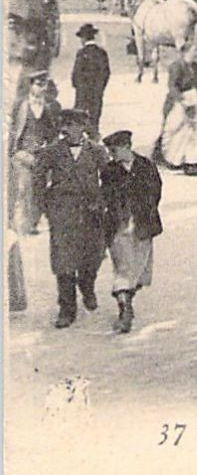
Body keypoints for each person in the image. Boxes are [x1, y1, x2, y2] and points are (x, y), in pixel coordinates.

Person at [38, 110, 108, 328]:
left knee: (92, 256)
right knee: (64, 260)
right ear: (63, 128)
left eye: (79, 124)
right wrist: (44, 205)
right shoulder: (52, 151)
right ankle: (67, 308)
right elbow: (37, 177)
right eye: (69, 125)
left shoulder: (97, 151)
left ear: (85, 126)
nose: (74, 129)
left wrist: (105, 203)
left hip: (91, 211)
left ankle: (87, 287)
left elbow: (109, 178)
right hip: (63, 211)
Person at [100, 129, 162, 334]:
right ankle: (124, 311)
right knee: (123, 269)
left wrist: (142, 209)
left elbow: (156, 192)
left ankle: (127, 302)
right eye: (110, 151)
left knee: (139, 272)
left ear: (127, 147)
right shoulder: (109, 170)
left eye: (115, 150)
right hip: (119, 227)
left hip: (143, 226)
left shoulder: (146, 166)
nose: (112, 155)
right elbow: (107, 195)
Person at [8, 70, 62, 234]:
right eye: (38, 85)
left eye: (44, 84)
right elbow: (11, 128)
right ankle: (16, 222)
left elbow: (53, 131)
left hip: (41, 154)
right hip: (23, 153)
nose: (42, 88)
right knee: (23, 188)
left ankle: (33, 222)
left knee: (38, 189)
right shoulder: (20, 105)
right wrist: (12, 150)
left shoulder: (51, 106)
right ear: (31, 86)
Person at [157, 83, 197, 176]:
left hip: (191, 101)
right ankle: (187, 163)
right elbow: (173, 86)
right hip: (182, 103)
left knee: (195, 140)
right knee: (180, 140)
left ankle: (192, 163)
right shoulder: (178, 69)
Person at [70, 24, 111, 136]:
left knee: (79, 117)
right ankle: (94, 138)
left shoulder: (82, 53)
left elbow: (76, 74)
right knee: (95, 117)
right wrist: (101, 87)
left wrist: (78, 87)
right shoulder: (102, 53)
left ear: (83, 38)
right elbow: (106, 73)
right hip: (97, 92)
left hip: (82, 92)